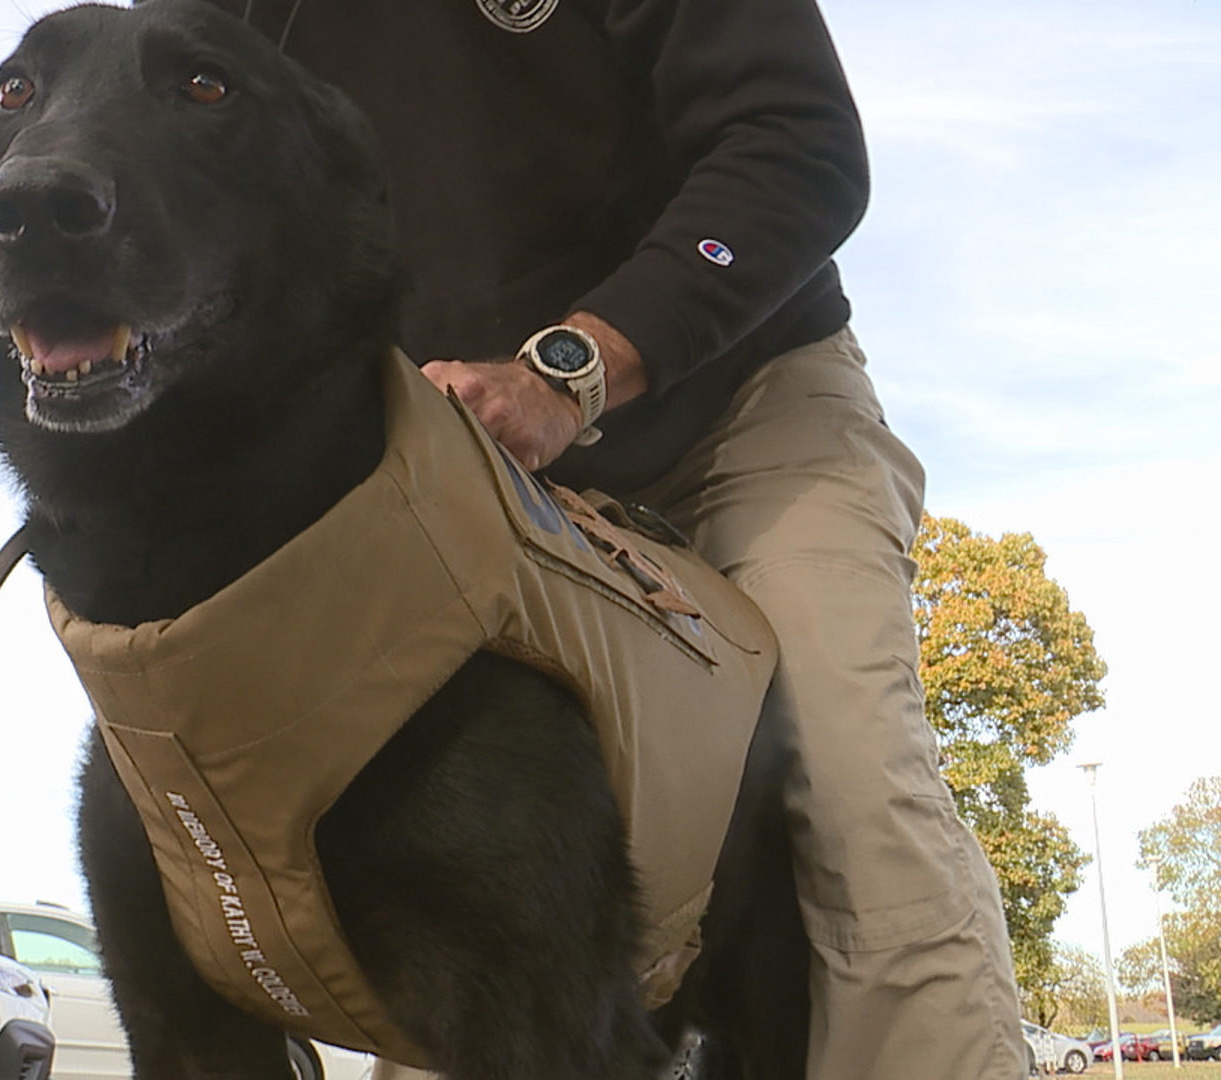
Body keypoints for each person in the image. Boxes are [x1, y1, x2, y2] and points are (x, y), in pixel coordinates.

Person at [210, 1, 1031, 1077]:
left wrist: (571, 370)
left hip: (745, 397)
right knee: (447, 840)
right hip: (458, 462)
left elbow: (797, 141)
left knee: (843, 775)